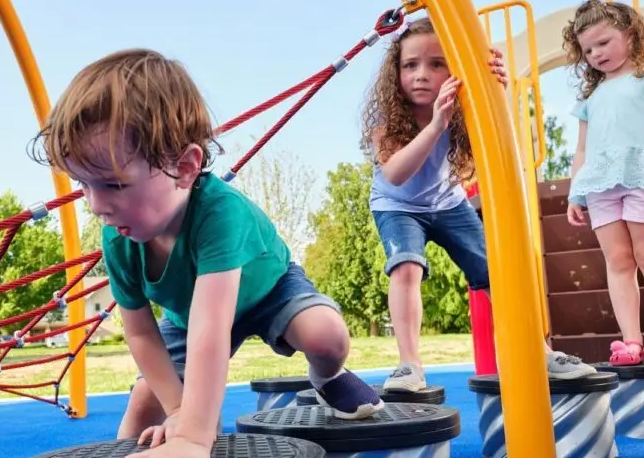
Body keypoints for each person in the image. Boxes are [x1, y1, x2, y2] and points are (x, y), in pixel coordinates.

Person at [30, 48, 384, 458]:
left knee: (326, 337)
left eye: (113, 185)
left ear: (184, 168)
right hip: (187, 317)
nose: (95, 204)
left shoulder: (219, 213)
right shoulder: (119, 237)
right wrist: (179, 408)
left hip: (268, 292)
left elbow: (211, 329)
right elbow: (141, 332)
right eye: (83, 185)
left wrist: (194, 436)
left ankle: (327, 378)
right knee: (144, 407)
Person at [360, 17, 599, 393]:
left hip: (449, 202)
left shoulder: (464, 110)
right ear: (396, 72)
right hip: (398, 206)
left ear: (455, 69)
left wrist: (494, 90)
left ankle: (539, 351)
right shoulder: (388, 124)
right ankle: (409, 365)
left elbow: (499, 142)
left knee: (497, 271)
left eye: (436, 64)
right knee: (405, 267)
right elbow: (395, 175)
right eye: (411, 65)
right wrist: (437, 124)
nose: (422, 74)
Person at [561, 0, 644, 366]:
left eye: (603, 43)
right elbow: (582, 151)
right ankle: (630, 341)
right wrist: (575, 194)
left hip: (642, 176)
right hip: (600, 185)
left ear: (631, 34)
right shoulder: (591, 97)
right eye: (588, 49)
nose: (596, 54)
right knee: (618, 260)